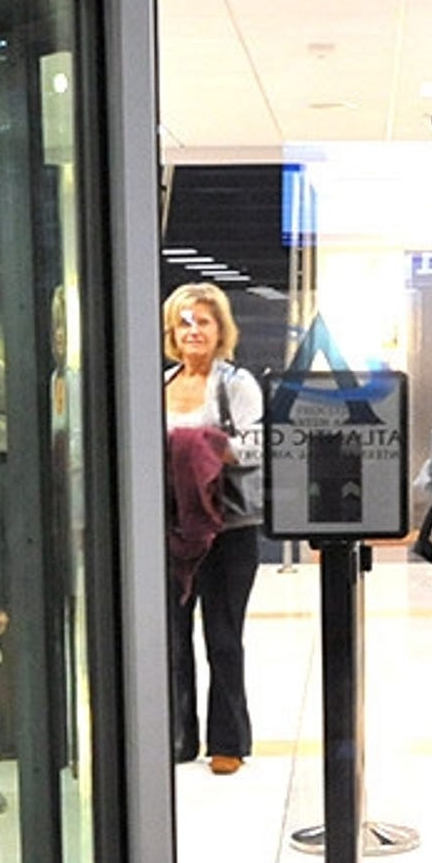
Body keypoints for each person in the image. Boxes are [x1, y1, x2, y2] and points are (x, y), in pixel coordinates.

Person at [162, 282, 265, 774]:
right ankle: (179, 736)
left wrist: (206, 447)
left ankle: (229, 741)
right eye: (184, 322)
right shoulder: (160, 384)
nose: (193, 331)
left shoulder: (236, 384)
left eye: (203, 321)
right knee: (171, 635)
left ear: (220, 329)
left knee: (223, 637)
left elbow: (258, 445)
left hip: (228, 528)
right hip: (172, 527)